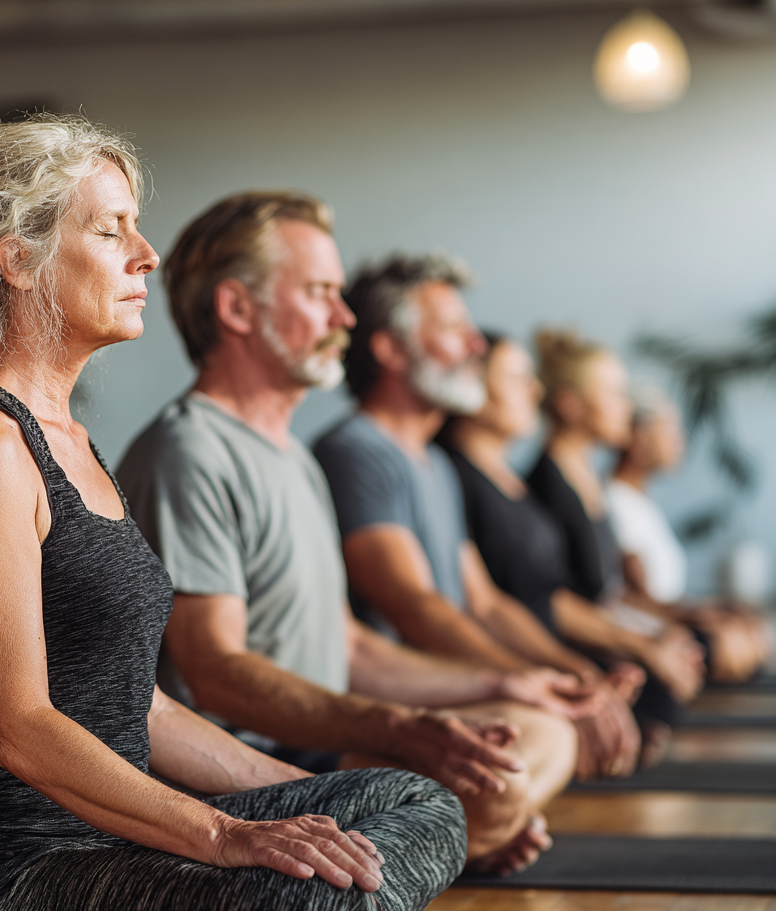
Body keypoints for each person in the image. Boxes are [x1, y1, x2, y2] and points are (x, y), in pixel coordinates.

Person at [0, 117, 469, 911]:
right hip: (7, 891)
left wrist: (305, 805)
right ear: (17, 258)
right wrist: (227, 840)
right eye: (110, 230)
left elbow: (135, 704)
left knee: (419, 805)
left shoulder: (70, 440)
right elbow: (20, 728)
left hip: (120, 847)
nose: (146, 254)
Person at [119, 192, 592, 878]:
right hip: (254, 776)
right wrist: (397, 728)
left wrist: (502, 683)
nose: (343, 317)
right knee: (503, 781)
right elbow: (214, 674)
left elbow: (348, 644)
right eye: (319, 293)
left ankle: (437, 844)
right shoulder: (190, 452)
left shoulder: (294, 456)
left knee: (536, 734)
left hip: (328, 750)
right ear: (237, 310)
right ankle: (435, 844)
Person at [313, 256, 641, 783]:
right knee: (544, 736)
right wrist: (520, 681)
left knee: (555, 728)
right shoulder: (356, 451)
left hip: (455, 694)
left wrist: (575, 675)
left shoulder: (436, 463)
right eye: (452, 329)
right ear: (390, 350)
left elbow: (484, 602)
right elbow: (413, 606)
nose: (475, 346)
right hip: (400, 704)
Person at [527, 330, 705, 750]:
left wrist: (664, 631)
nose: (627, 409)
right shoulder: (546, 484)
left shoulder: (587, 477)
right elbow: (557, 599)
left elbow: (609, 591)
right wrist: (643, 646)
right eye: (614, 394)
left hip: (606, 633)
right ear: (571, 405)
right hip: (573, 644)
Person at [609, 387, 769, 683]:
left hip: (667, 618)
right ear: (638, 438)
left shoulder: (640, 502)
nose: (680, 441)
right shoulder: (615, 501)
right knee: (739, 642)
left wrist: (712, 609)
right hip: (649, 629)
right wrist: (698, 614)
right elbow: (636, 596)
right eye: (669, 430)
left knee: (751, 627)